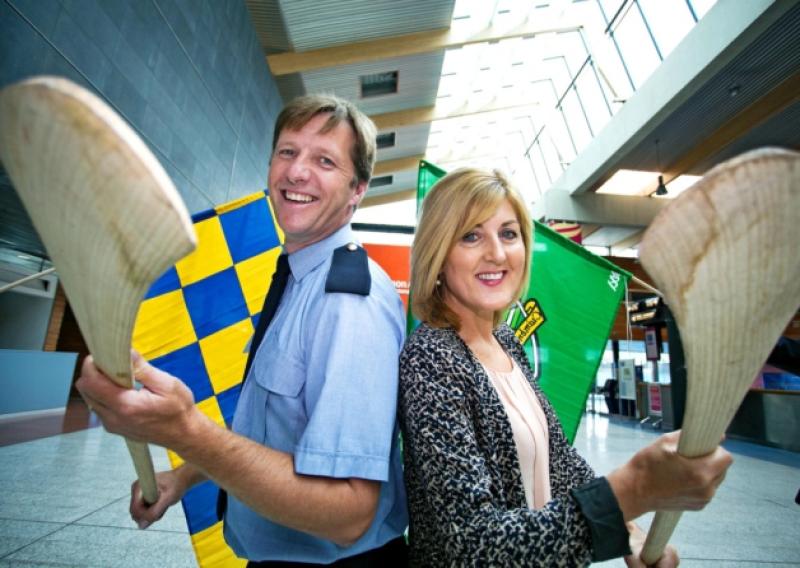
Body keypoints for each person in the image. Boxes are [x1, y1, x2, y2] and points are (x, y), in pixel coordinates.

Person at [77, 94, 408, 566]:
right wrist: (185, 476)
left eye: (325, 161)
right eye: (287, 152)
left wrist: (187, 431)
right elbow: (274, 434)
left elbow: (349, 513)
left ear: (357, 189)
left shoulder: (348, 301)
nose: (297, 172)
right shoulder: (298, 280)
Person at [398, 167, 732, 567]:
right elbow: (472, 543)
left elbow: (560, 463)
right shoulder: (432, 357)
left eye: (509, 234)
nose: (497, 254)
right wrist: (632, 489)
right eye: (471, 236)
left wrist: (630, 533)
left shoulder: (507, 342)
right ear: (438, 254)